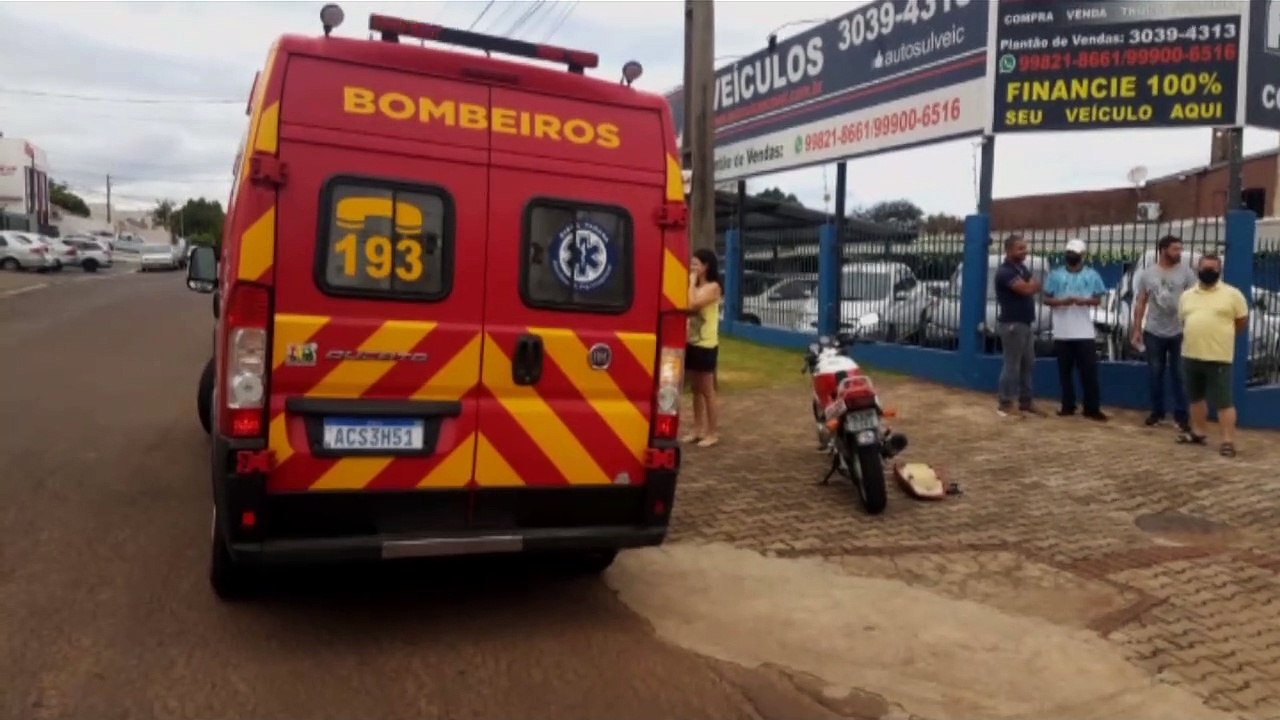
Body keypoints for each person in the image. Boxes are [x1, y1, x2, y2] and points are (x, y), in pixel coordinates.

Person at [1176, 254, 1248, 457]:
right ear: (1197, 270)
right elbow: (1183, 321)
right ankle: (1198, 432)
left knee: (1224, 402)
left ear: (1220, 270)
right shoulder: (1187, 296)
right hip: (1191, 355)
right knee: (1195, 398)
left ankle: (1227, 441)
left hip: (1219, 357)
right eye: (1205, 268)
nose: (1208, 272)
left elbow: (1241, 321)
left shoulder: (1233, 295)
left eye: (1213, 269)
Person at [1131, 235, 1198, 431]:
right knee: (1155, 373)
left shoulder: (1186, 273)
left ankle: (1181, 415)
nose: (1179, 253)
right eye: (1175, 249)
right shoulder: (1148, 274)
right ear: (1163, 250)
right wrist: (1137, 329)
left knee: (1179, 374)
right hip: (1153, 330)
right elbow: (1141, 301)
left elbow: (1195, 299)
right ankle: (1157, 412)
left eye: (1180, 249)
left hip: (1179, 330)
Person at [1042, 239, 1108, 421]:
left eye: (1075, 254)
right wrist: (1061, 302)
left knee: (1089, 372)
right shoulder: (1055, 275)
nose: (1072, 257)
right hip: (1062, 331)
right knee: (1065, 372)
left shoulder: (1092, 275)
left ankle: (1092, 408)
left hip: (1084, 331)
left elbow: (1097, 299)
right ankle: (1067, 405)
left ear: (1082, 256)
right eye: (1069, 254)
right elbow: (1046, 299)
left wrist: (1084, 301)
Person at [993, 234, 1045, 418]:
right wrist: (1030, 286)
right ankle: (1005, 403)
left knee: (1028, 363)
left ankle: (1026, 402)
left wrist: (1031, 285)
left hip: (1025, 322)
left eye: (1025, 247)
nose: (1025, 251)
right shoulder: (1005, 272)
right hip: (1012, 324)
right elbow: (1028, 288)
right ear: (1009, 251)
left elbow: (1035, 284)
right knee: (1012, 364)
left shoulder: (1021, 268)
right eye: (1020, 248)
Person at [683, 249, 723, 447]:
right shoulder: (696, 286)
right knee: (695, 389)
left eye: (696, 264)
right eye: (691, 264)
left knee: (707, 390)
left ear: (706, 266)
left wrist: (691, 282)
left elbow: (692, 305)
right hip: (691, 342)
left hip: (706, 344)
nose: (692, 268)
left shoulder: (713, 288)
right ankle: (697, 428)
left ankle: (712, 432)